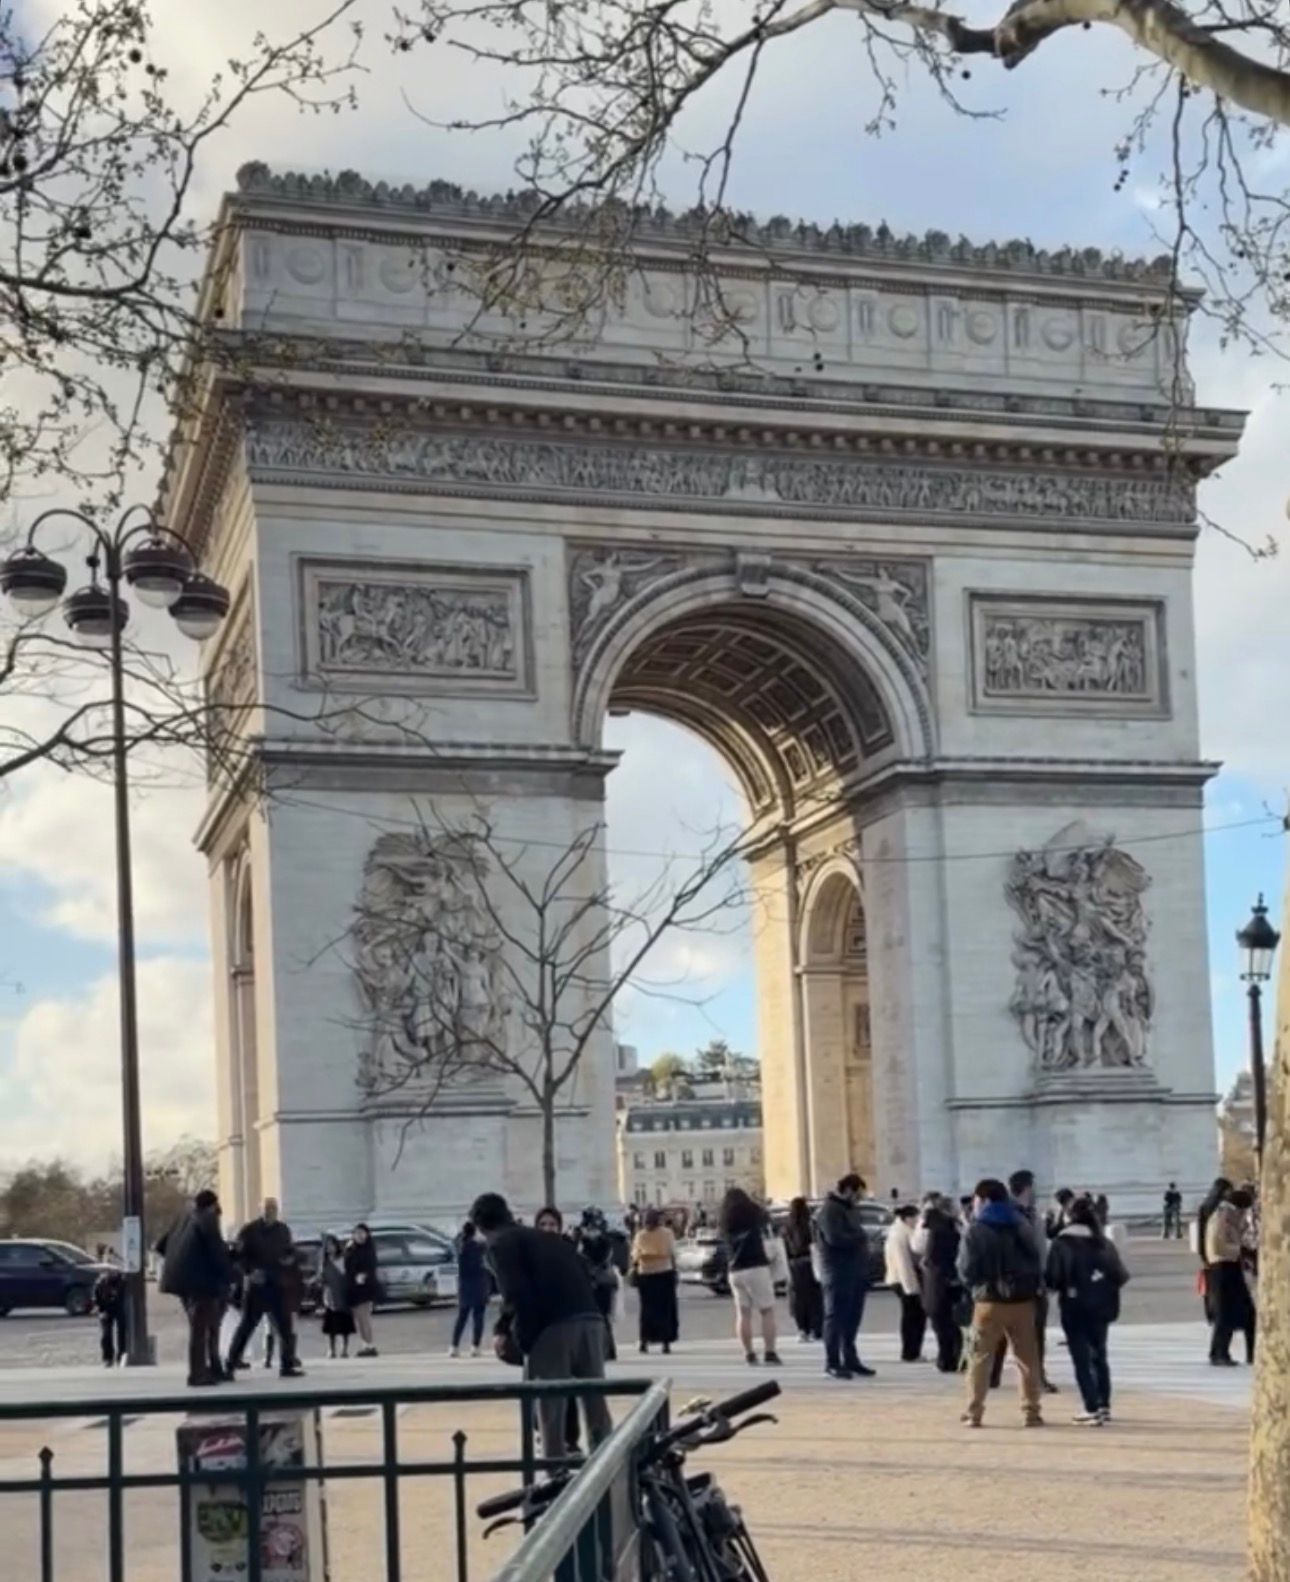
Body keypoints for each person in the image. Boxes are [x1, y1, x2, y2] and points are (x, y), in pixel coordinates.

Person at [471, 1191, 612, 1463]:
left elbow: (515, 1293)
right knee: (595, 1402)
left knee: (551, 1410)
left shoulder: (501, 1243)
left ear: (482, 1226)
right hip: (591, 1320)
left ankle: (555, 1471)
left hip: (554, 1327)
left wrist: (520, 1339)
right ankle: (606, 1466)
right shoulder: (549, 1239)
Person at [959, 1177, 1044, 1429]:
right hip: (1023, 1300)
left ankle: (974, 1412)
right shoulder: (1022, 1224)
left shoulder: (976, 1229)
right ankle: (1031, 1412)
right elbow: (1037, 1258)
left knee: (979, 1358)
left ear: (983, 1199)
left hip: (989, 1300)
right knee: (1027, 1359)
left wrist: (976, 1288)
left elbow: (965, 1269)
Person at [1045, 1194, 1129, 1425]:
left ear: (1068, 1216)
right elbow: (1121, 1276)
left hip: (1075, 1306)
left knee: (1081, 1359)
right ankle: (1103, 1404)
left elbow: (1052, 1279)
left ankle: (1090, 1406)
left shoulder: (1062, 1243)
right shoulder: (1104, 1243)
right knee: (1100, 1355)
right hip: (1102, 1306)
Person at [158, 1189, 234, 1387]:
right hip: (200, 1282)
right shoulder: (207, 1219)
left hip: (179, 1280)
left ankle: (210, 1368)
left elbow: (160, 1246)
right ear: (212, 1206)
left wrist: (182, 1260)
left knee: (201, 1326)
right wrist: (231, 1275)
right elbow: (217, 1252)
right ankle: (198, 1373)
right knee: (201, 1329)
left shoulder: (183, 1216)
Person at [990, 1169, 1056, 1395]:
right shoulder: (1016, 1215)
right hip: (1025, 1282)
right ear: (1027, 1188)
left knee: (1008, 1332)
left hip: (1019, 1282)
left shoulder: (1021, 1213)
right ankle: (1033, 1378)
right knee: (1030, 1333)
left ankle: (995, 1376)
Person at [224, 1197, 303, 1378]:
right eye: (267, 1208)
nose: (270, 1212)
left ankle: (287, 1365)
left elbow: (290, 1251)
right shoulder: (249, 1231)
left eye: (273, 1209)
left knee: (285, 1327)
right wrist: (249, 1272)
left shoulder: (283, 1230)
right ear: (261, 1210)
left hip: (278, 1285)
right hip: (256, 1287)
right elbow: (237, 1256)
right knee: (247, 1326)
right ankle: (230, 1364)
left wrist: (291, 1259)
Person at [815, 1173, 873, 1381]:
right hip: (837, 1272)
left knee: (852, 1319)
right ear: (848, 1190)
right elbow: (835, 1238)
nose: (859, 1199)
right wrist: (860, 1237)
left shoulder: (850, 1209)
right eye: (858, 1195)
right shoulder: (830, 1210)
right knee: (836, 1318)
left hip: (855, 1272)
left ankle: (850, 1358)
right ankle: (832, 1362)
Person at [719, 1186, 781, 1366]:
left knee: (743, 1314)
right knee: (766, 1311)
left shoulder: (725, 1220)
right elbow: (767, 1218)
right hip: (756, 1266)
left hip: (735, 1270)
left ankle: (749, 1354)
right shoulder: (753, 1213)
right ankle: (770, 1352)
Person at [912, 1193, 964, 1373]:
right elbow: (936, 1258)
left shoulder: (936, 1227)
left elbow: (927, 1257)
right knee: (949, 1325)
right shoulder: (945, 1229)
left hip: (936, 1283)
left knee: (943, 1325)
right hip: (944, 1283)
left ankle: (948, 1359)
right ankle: (951, 1359)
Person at [1206, 1186, 1256, 1366]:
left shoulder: (1229, 1215)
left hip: (1230, 1265)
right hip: (1222, 1267)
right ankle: (1219, 1353)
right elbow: (1218, 1245)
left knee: (1248, 1313)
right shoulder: (1223, 1216)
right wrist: (1241, 1251)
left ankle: (1252, 1353)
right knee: (1225, 1313)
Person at [630, 1207, 678, 1355]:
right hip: (664, 1272)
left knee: (647, 1310)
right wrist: (675, 1271)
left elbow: (635, 1256)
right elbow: (672, 1253)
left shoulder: (640, 1235)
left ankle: (644, 1341)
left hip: (646, 1274)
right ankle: (665, 1342)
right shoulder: (667, 1234)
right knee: (665, 1309)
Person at [885, 1205, 926, 1362]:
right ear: (907, 1218)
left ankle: (913, 1351)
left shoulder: (902, 1231)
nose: (917, 1221)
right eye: (915, 1217)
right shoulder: (899, 1234)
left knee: (915, 1316)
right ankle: (910, 1352)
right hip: (903, 1280)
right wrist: (911, 1287)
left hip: (904, 1280)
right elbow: (903, 1263)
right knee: (912, 1317)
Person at [782, 1196, 823, 1343]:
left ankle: (802, 1330)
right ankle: (815, 1329)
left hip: (794, 1265)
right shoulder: (811, 1223)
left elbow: (784, 1247)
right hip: (810, 1263)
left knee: (798, 1299)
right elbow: (818, 1243)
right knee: (815, 1297)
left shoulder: (787, 1226)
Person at [1196, 1175, 1233, 1332]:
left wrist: (1203, 1255)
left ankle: (1213, 1314)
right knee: (1221, 1291)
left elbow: (1200, 1234)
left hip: (1208, 1254)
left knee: (1212, 1290)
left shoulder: (1205, 1207)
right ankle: (1219, 1317)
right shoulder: (1222, 1209)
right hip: (1220, 1254)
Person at [449, 1221, 490, 1358]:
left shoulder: (460, 1247)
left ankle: (454, 1346)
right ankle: (475, 1347)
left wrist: (460, 1234)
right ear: (474, 1232)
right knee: (478, 1317)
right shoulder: (479, 1247)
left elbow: (454, 1240)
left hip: (464, 1286)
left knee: (462, 1317)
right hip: (479, 1285)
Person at [343, 1223, 380, 1358]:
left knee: (364, 1318)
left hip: (365, 1288)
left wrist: (364, 1275)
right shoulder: (351, 1249)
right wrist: (347, 1249)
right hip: (353, 1288)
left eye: (362, 1233)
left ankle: (369, 1344)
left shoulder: (369, 1250)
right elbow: (347, 1265)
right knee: (359, 1319)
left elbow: (371, 1267)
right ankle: (365, 1344)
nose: (359, 1236)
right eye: (356, 1233)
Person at [318, 1235, 354, 1360]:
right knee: (331, 1325)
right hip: (330, 1296)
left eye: (332, 1245)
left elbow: (349, 1275)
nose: (330, 1248)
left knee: (345, 1324)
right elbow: (321, 1280)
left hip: (343, 1294)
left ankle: (344, 1349)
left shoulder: (343, 1259)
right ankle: (331, 1349)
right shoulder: (324, 1263)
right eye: (328, 1246)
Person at [92, 1265, 127, 1368]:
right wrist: (100, 1310)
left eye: (113, 1272)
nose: (111, 1274)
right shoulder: (101, 1282)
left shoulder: (122, 1282)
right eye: (109, 1272)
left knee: (122, 1332)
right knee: (106, 1334)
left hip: (119, 1307)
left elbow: (125, 1297)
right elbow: (96, 1298)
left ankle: (121, 1356)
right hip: (106, 1307)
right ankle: (108, 1358)